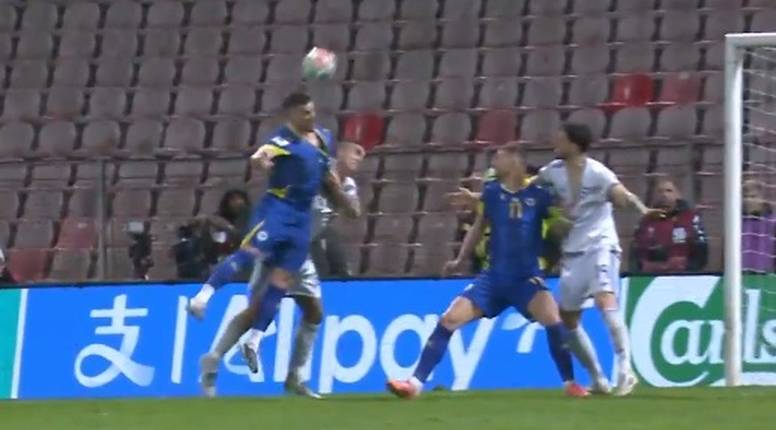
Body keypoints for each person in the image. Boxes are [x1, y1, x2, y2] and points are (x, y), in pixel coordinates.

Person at [448, 123, 662, 396]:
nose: (554, 142)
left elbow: (622, 195)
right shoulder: (552, 172)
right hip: (572, 252)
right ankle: (597, 378)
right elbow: (519, 191)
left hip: (600, 246)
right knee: (568, 320)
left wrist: (642, 210)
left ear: (574, 144)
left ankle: (625, 369)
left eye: (559, 139)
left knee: (604, 299)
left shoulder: (598, 173)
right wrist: (478, 198)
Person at [386, 145, 588, 399]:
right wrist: (460, 259)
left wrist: (575, 230)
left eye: (499, 158)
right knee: (448, 320)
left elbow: (560, 226)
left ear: (516, 161)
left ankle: (570, 383)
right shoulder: (492, 193)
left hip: (526, 278)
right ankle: (414, 385)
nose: (494, 163)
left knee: (554, 322)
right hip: (493, 278)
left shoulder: (539, 196)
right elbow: (479, 227)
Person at [193, 93, 358, 397]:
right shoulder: (291, 153)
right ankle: (215, 358)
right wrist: (262, 162)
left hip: (301, 243)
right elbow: (264, 155)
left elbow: (337, 192)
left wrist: (346, 204)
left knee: (313, 312)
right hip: (283, 234)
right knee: (259, 310)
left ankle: (293, 377)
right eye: (304, 112)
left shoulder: (329, 163)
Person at [309, 141, 365, 277]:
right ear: (340, 153)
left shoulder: (348, 183)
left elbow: (354, 212)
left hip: (318, 231)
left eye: (362, 156)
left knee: (341, 270)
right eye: (356, 153)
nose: (360, 159)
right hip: (298, 229)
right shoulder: (318, 168)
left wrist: (336, 189)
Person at [630, 178, 708, 273]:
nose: (664, 194)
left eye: (669, 191)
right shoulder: (646, 221)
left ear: (678, 194)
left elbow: (701, 253)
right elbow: (635, 255)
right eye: (660, 191)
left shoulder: (691, 219)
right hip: (651, 276)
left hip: (684, 276)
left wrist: (686, 267)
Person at [743, 179, 776, 273]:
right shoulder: (736, 222)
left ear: (762, 198)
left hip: (766, 272)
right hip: (739, 272)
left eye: (753, 196)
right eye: (745, 197)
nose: (749, 200)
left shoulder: (772, 220)